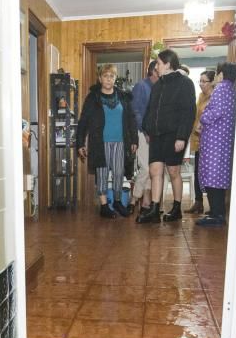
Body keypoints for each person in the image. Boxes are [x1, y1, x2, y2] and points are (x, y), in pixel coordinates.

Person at [138, 49, 196, 224]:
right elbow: (150, 110)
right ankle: (155, 210)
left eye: (158, 63)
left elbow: (188, 112)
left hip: (174, 135)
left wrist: (181, 137)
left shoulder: (185, 83)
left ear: (168, 64)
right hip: (156, 136)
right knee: (155, 171)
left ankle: (176, 208)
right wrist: (147, 129)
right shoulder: (158, 85)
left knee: (173, 171)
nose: (156, 66)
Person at [76, 64, 138, 218]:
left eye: (112, 76)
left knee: (119, 173)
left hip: (121, 142)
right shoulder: (93, 98)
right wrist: (80, 143)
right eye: (105, 76)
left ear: (115, 78)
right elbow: (83, 121)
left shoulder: (123, 97)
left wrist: (134, 140)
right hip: (100, 143)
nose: (108, 79)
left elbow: (131, 119)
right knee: (102, 174)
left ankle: (117, 202)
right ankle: (104, 206)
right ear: (100, 78)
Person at [197, 63, 236, 227]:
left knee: (212, 177)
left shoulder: (221, 89)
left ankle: (217, 215)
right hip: (223, 140)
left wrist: (203, 117)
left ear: (221, 75)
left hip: (215, 141)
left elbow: (216, 112)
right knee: (219, 177)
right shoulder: (232, 90)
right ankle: (217, 211)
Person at [129, 60, 159, 215]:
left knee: (152, 170)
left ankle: (145, 203)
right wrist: (146, 132)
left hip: (155, 135)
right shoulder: (141, 86)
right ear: (154, 70)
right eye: (160, 67)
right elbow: (136, 112)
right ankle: (134, 198)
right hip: (142, 133)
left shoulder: (159, 87)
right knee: (146, 168)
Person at [187, 70, 217, 215]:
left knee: (209, 174)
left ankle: (213, 205)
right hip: (197, 139)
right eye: (200, 81)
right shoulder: (200, 96)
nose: (201, 84)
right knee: (197, 171)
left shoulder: (215, 98)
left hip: (210, 142)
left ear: (212, 82)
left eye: (204, 81)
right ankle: (198, 202)